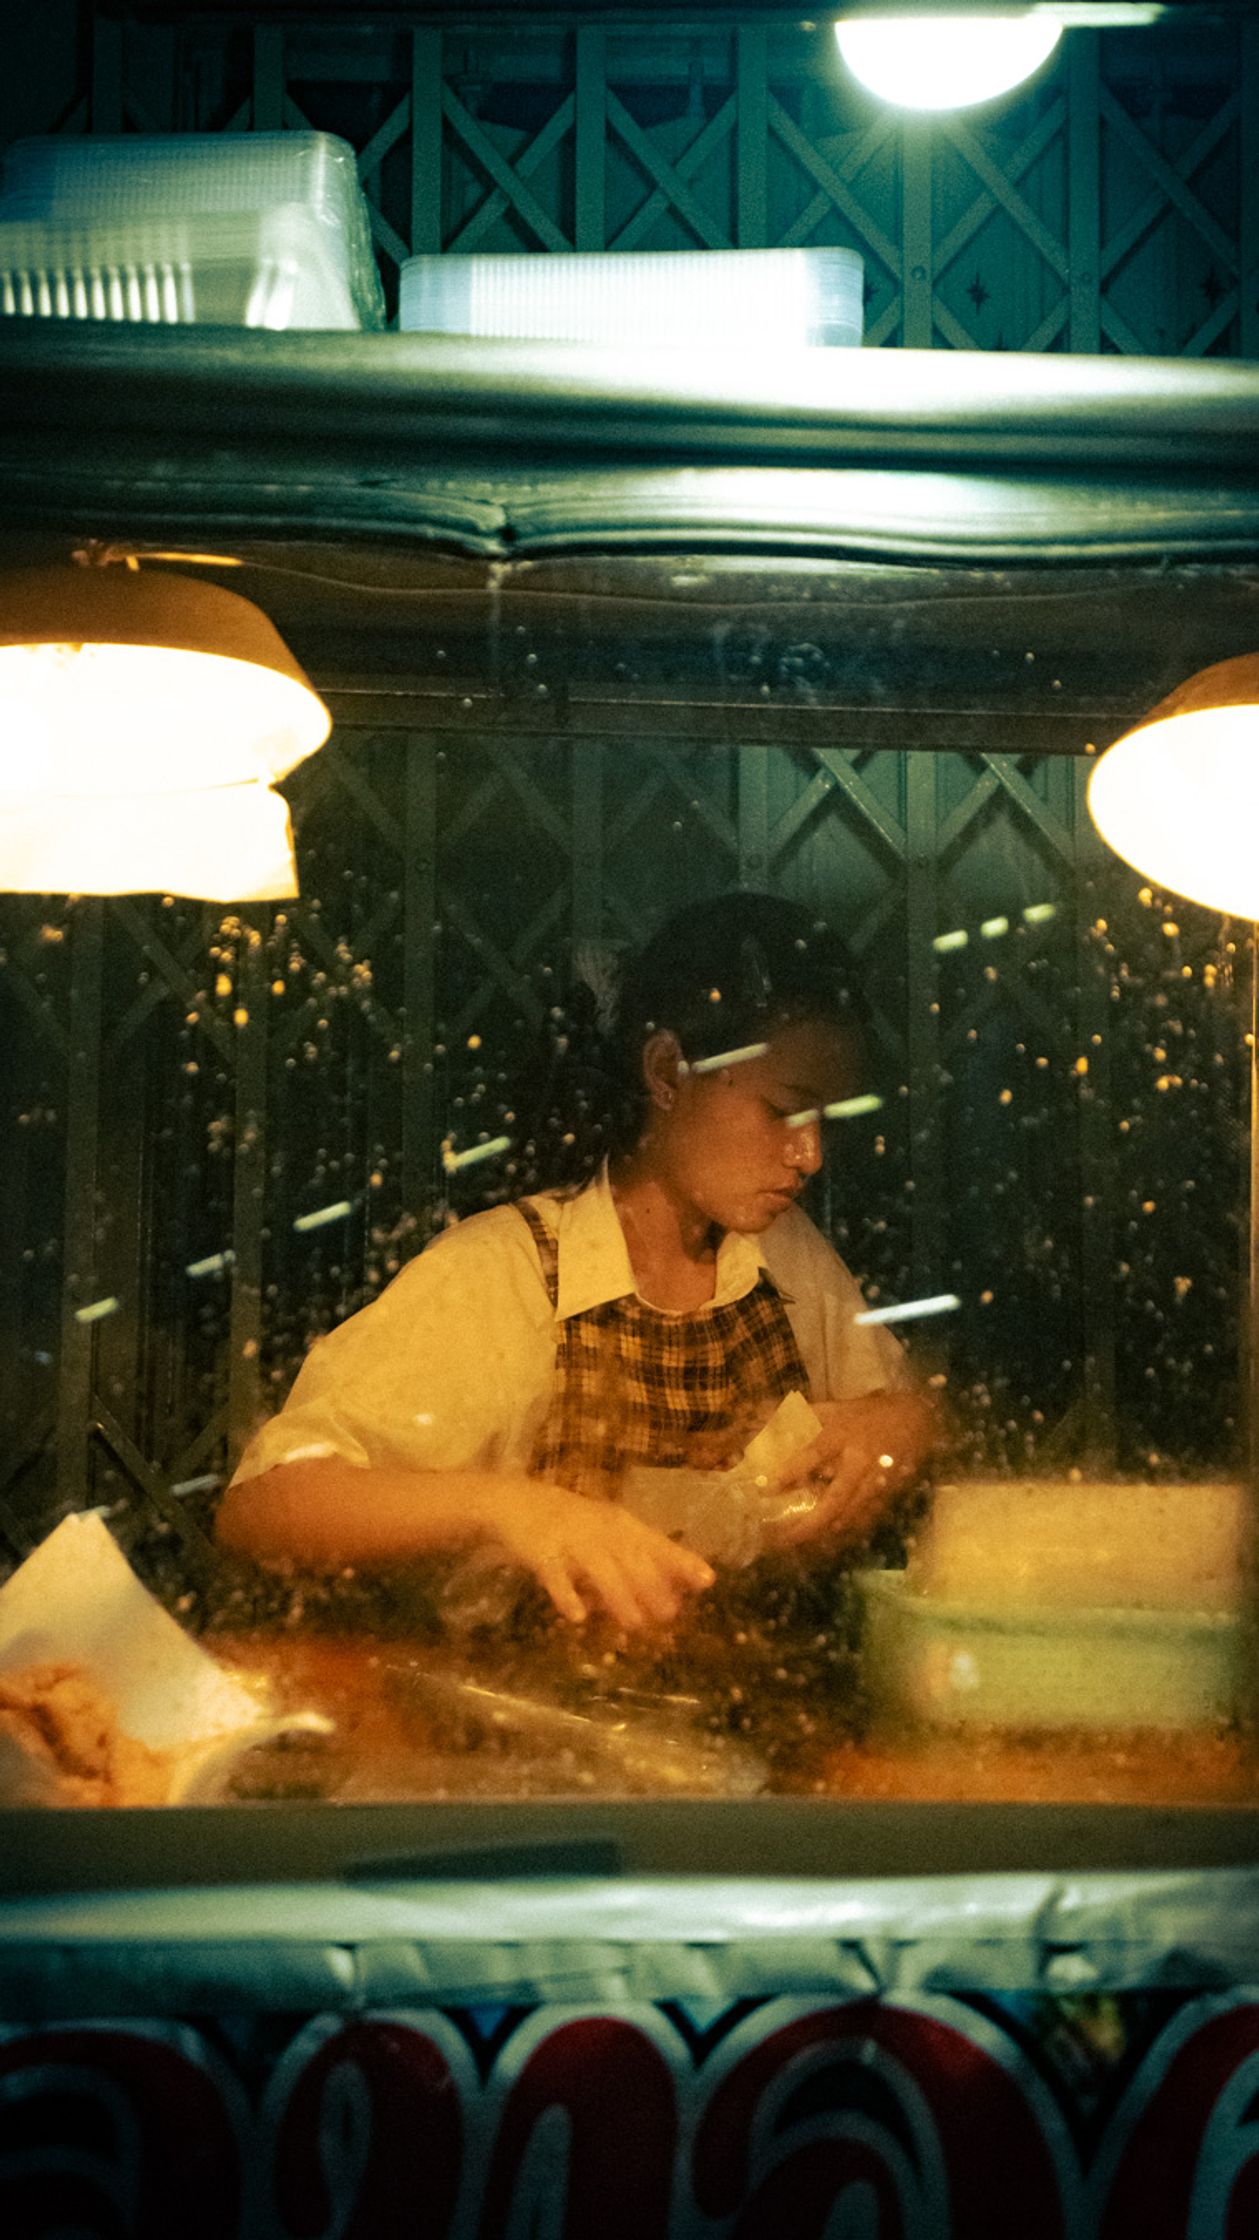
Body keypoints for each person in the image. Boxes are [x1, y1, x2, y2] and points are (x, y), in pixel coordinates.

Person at [216, 893, 936, 1633]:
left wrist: (897, 1425)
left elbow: (916, 1414)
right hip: (533, 1726)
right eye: (784, 1109)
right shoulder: (504, 1271)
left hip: (750, 1711)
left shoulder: (788, 1259)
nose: (809, 1155)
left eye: (826, 1121)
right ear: (665, 1071)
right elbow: (266, 1507)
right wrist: (511, 1509)